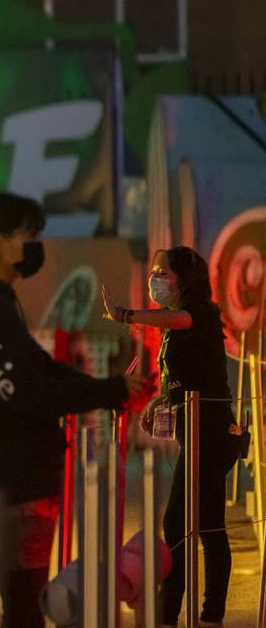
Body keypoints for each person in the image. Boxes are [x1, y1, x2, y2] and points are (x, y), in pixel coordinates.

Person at [0, 193, 152, 628]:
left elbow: (42, 368)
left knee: (2, 600)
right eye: (28, 235)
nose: (35, 244)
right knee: (0, 602)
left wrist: (116, 390)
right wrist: (110, 391)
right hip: (13, 480)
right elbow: (30, 393)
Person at [103, 246, 238, 628]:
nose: (155, 277)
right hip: (194, 431)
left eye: (163, 271)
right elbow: (188, 374)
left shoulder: (200, 315)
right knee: (209, 524)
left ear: (185, 277)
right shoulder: (178, 322)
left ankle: (171, 612)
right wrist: (161, 402)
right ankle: (207, 614)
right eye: (153, 270)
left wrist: (124, 315)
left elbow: (178, 321)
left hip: (211, 434)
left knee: (178, 522)